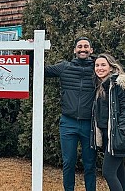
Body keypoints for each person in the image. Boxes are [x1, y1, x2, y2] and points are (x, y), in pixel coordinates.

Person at [44, 37, 96, 191]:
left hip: (89, 124)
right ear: (74, 50)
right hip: (68, 123)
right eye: (79, 46)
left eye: (86, 46)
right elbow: (42, 69)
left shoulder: (97, 68)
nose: (83, 49)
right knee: (68, 162)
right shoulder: (64, 67)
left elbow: (114, 73)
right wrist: (32, 50)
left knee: (90, 164)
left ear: (91, 50)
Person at [91, 54, 125, 191]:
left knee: (108, 172)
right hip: (107, 135)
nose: (99, 68)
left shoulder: (118, 84)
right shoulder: (101, 86)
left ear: (111, 67)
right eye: (97, 65)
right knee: (119, 172)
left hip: (117, 135)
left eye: (103, 65)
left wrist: (122, 131)